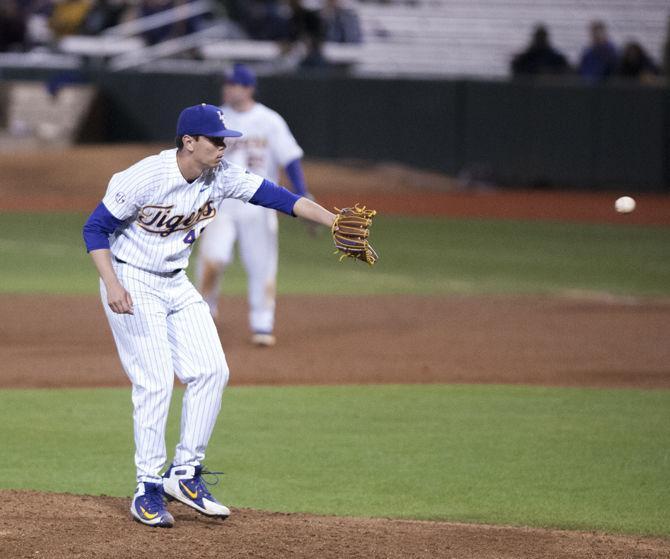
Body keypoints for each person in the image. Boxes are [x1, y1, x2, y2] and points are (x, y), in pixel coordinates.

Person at [82, 103, 338, 527]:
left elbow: (282, 199)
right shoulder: (145, 177)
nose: (224, 147)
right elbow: (94, 228)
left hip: (175, 281)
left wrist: (333, 220)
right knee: (155, 380)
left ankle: (184, 474)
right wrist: (112, 283)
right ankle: (147, 487)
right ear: (189, 142)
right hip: (131, 278)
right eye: (216, 140)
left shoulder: (221, 176)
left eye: (225, 140)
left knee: (212, 371)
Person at [197, 63, 311, 347]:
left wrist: (302, 193)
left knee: (261, 264)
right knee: (214, 257)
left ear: (249, 88)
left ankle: (262, 322)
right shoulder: (216, 117)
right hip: (219, 202)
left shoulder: (269, 120)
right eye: (227, 84)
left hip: (259, 203)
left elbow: (290, 158)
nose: (229, 88)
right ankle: (202, 314)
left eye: (235, 84)